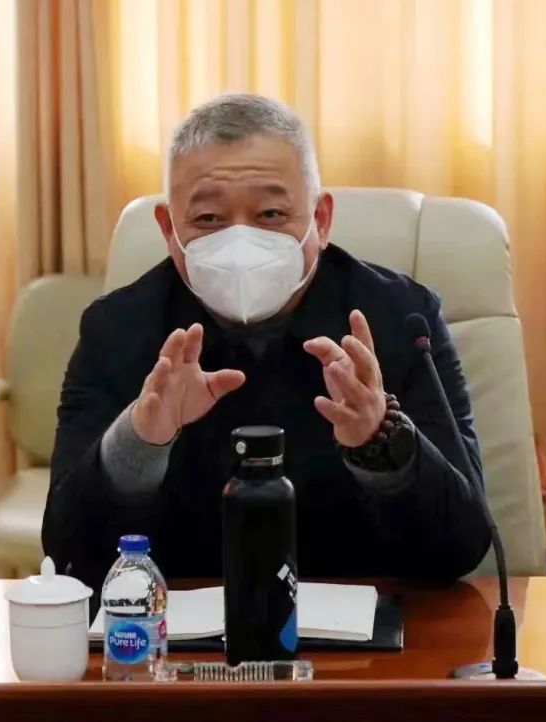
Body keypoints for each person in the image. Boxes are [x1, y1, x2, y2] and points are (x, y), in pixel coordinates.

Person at [43, 93, 491, 585]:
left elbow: (463, 546)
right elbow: (66, 552)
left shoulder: (402, 320)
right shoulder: (116, 329)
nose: (241, 242)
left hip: (367, 617)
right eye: (208, 219)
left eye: (272, 214)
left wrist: (381, 443)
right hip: (177, 622)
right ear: (169, 230)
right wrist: (139, 442)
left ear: (320, 220)